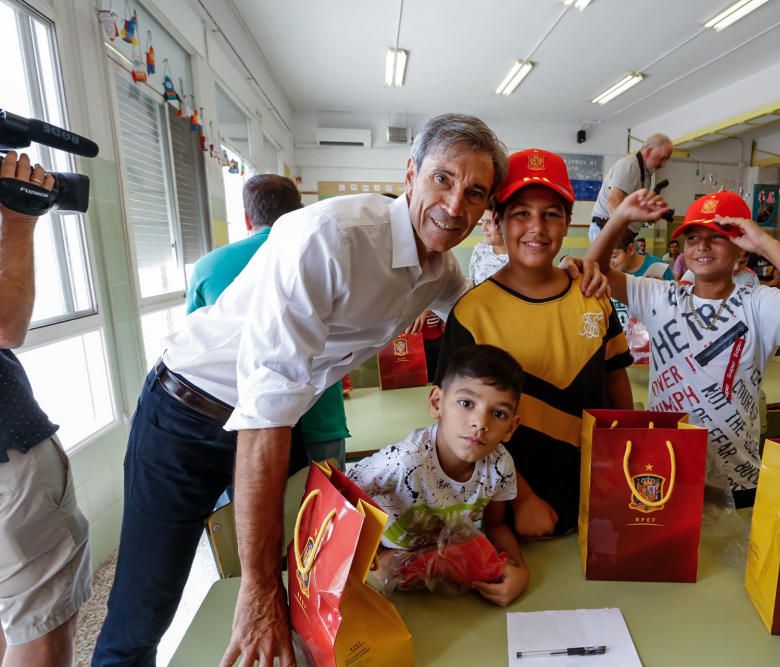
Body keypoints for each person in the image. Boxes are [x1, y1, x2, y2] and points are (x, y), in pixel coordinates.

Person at [93, 114, 511, 667]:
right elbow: (263, 413)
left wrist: (573, 274)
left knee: (304, 584)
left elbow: (488, 317)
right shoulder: (330, 238)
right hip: (187, 414)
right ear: (410, 173)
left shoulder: (438, 269)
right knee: (146, 606)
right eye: (443, 179)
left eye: (475, 192)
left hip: (282, 423)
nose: (455, 205)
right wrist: (258, 590)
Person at [588, 190, 780, 507]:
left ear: (741, 245)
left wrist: (766, 244)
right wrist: (620, 219)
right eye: (693, 238)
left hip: (738, 479)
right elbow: (595, 271)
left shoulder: (758, 304)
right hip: (665, 471)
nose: (701, 246)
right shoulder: (661, 296)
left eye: (717, 237)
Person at [436, 149, 634, 538]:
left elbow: (615, 382)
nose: (536, 228)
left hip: (596, 499)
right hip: (504, 510)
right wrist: (520, 497)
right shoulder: (473, 313)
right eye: (522, 213)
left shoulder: (591, 294)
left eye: (551, 214)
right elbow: (456, 423)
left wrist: (624, 457)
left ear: (567, 224)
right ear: (498, 221)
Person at [186, 174, 350, 468]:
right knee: (325, 508)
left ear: (248, 219)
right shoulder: (325, 254)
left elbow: (195, 347)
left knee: (246, 510)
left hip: (241, 419)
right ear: (300, 210)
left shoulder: (208, 267)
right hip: (318, 413)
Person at [348, 344, 528, 607]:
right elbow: (341, 492)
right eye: (466, 403)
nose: (480, 423)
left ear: (511, 427)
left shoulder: (500, 465)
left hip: (445, 560)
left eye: (498, 413)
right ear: (436, 403)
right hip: (390, 568)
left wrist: (520, 572)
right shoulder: (404, 460)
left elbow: (496, 525)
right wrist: (371, 549)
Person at [0, 152, 91, 666]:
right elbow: (5, 325)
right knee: (41, 630)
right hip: (7, 457)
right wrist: (17, 222)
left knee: (11, 613)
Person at [587, 133, 673, 242]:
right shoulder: (629, 166)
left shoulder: (645, 172)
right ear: (649, 151)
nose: (663, 164)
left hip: (621, 231)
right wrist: (620, 237)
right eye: (662, 158)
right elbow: (613, 202)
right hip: (607, 229)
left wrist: (651, 213)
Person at [468, 209, 508, 285]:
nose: (483, 228)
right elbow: (472, 282)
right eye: (483, 221)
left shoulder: (520, 259)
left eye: (489, 222)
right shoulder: (480, 248)